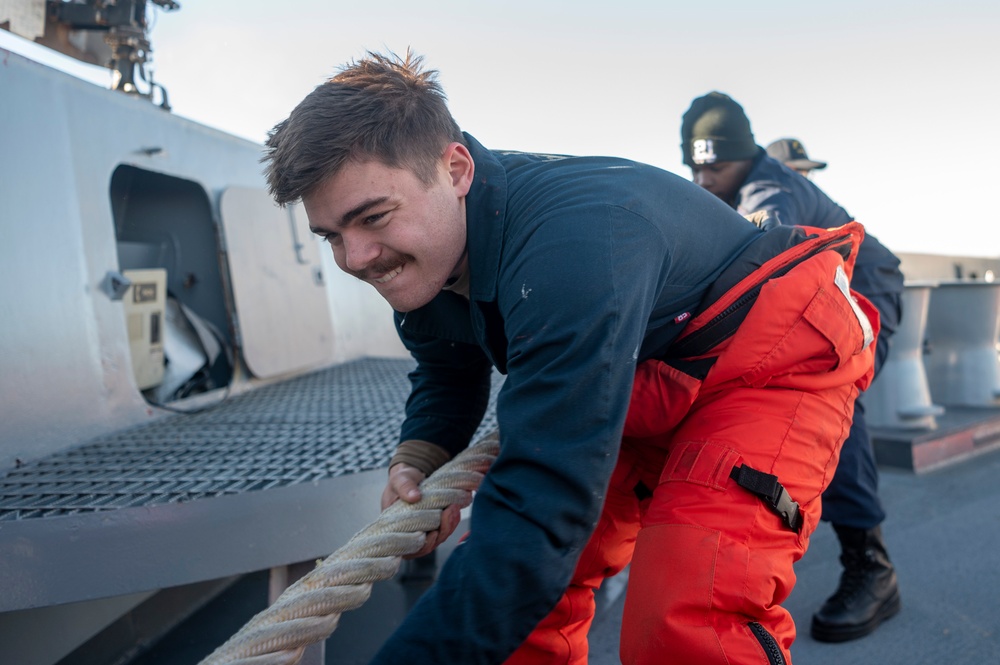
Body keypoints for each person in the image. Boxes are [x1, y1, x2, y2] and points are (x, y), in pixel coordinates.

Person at [263, 51, 879, 665]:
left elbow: (543, 506)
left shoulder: (574, 249)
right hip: (640, 374)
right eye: (332, 236)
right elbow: (449, 364)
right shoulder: (428, 255)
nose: (357, 259)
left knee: (688, 620)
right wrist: (424, 451)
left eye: (372, 218)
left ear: (455, 170)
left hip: (766, 363)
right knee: (519, 616)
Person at [681, 91, 905, 644]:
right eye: (695, 165)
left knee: (830, 409)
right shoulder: (722, 188)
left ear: (744, 156)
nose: (705, 178)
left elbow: (763, 241)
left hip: (865, 288)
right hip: (821, 294)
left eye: (717, 166)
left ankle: (873, 570)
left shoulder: (768, 188)